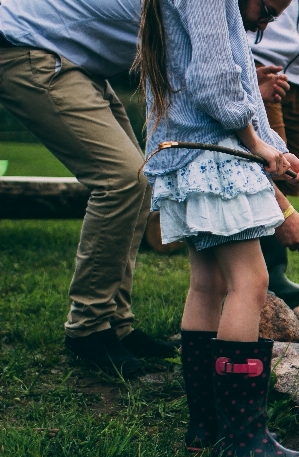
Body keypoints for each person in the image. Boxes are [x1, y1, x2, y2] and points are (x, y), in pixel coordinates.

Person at [137, 0, 299, 457]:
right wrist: (259, 148)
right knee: (250, 283)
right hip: (213, 156)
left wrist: (280, 154)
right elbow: (215, 80)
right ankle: (244, 437)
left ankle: (207, 428)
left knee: (208, 286)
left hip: (185, 152)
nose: (270, 18)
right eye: (268, 6)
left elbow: (229, 89)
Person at [0, 0, 179, 377]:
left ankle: (116, 323)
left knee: (138, 181)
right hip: (28, 46)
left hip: (73, 58)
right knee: (123, 180)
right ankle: (87, 327)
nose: (261, 26)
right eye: (265, 13)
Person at [249, 0, 299, 307]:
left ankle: (269, 273)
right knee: (265, 168)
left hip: (297, 70)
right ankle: (267, 274)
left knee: (288, 173)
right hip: (259, 62)